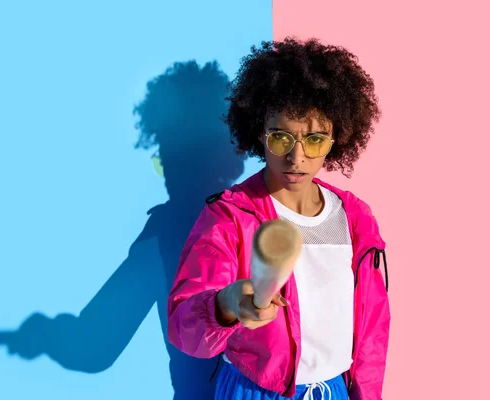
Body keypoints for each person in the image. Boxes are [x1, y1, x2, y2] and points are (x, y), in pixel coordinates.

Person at [167, 37, 390, 400]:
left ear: (337, 137)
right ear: (260, 133)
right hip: (254, 390)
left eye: (315, 140)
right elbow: (183, 324)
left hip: (336, 391)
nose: (297, 157)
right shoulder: (230, 216)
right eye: (281, 138)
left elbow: (373, 331)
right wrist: (224, 305)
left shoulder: (356, 218)